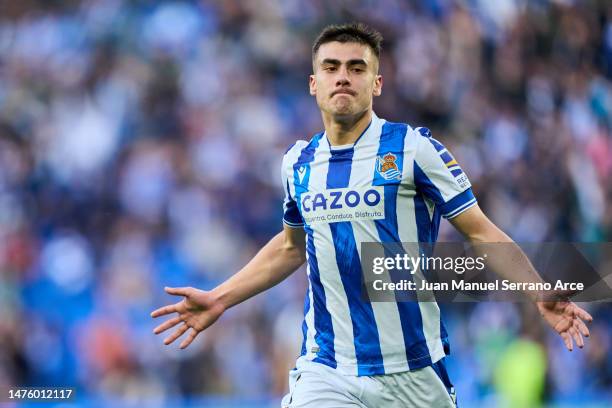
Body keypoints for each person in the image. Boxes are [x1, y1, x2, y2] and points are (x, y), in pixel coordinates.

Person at [151, 23, 593, 407]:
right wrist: (222, 297)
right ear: (313, 83)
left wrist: (537, 290)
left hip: (413, 371)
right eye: (331, 67)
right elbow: (291, 245)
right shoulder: (298, 163)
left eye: (356, 68)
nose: (343, 77)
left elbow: (479, 231)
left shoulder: (414, 149)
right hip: (328, 368)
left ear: (376, 83)